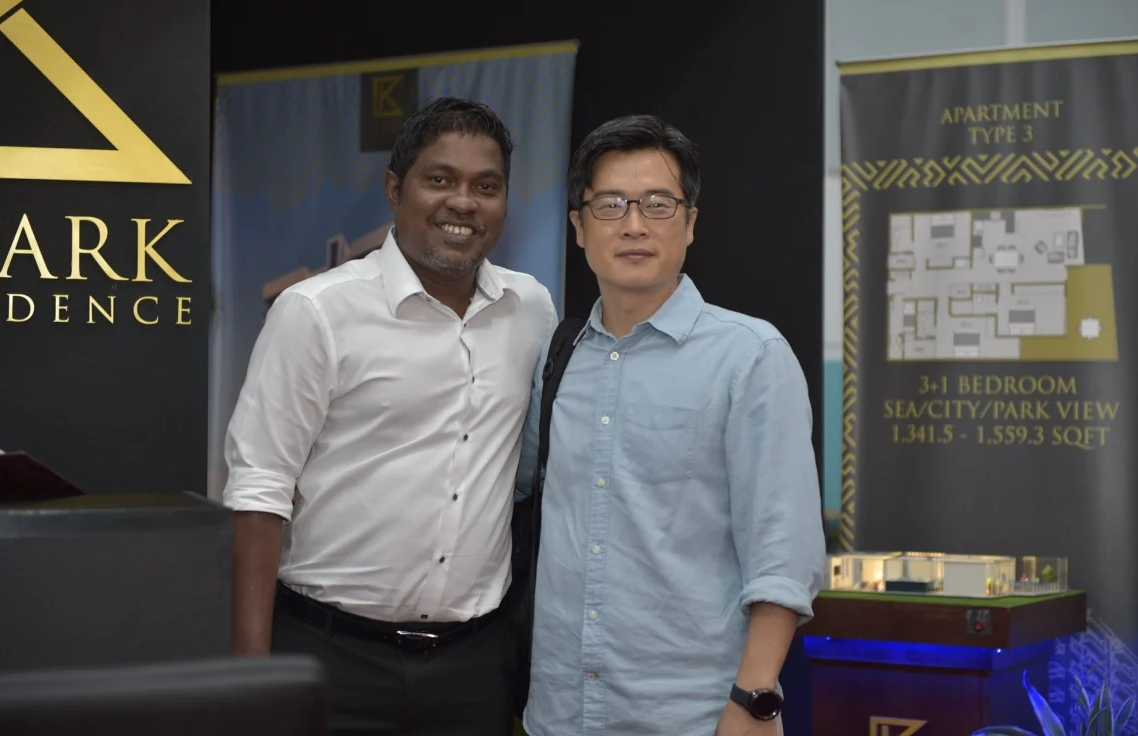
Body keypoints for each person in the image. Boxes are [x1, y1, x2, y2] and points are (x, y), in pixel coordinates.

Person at [222, 96, 557, 735]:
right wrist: (250, 680)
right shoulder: (316, 311)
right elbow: (260, 489)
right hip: (330, 656)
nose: (464, 202)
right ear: (395, 190)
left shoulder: (531, 309)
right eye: (440, 180)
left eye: (486, 187)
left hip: (474, 668)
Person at [516, 115, 826, 736]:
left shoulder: (750, 357)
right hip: (559, 713)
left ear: (690, 223)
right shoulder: (556, 358)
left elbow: (783, 551)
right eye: (610, 205)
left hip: (693, 715)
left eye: (658, 204)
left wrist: (754, 699)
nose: (634, 225)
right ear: (578, 227)